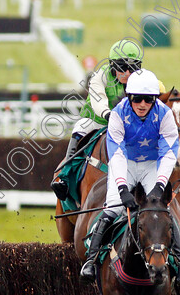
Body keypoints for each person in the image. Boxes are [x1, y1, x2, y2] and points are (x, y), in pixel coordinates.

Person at [80, 69, 180, 283]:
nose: (142, 104)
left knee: (162, 209)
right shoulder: (118, 114)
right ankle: (91, 259)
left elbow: (169, 151)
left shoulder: (164, 115)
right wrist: (122, 189)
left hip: (152, 165)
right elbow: (116, 153)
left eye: (148, 99)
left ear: (154, 100)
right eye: (137, 99)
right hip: (126, 163)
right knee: (113, 206)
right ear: (129, 97)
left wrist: (160, 184)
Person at [51, 39, 145, 200]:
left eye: (133, 68)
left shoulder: (142, 80)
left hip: (128, 126)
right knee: (81, 125)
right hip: (97, 122)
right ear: (112, 65)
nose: (128, 73)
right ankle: (64, 176)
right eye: (122, 67)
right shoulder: (100, 76)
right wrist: (109, 115)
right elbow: (99, 101)